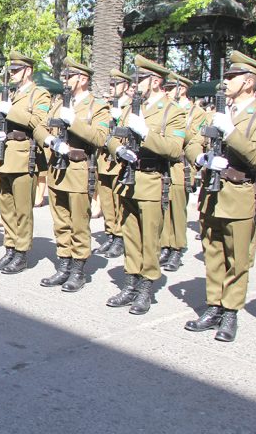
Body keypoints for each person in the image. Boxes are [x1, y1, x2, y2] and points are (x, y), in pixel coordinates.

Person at [185, 50, 256, 342]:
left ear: (250, 81)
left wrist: (230, 133)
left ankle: (230, 313)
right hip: (211, 192)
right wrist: (201, 158)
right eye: (226, 76)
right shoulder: (220, 111)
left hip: (240, 194)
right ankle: (214, 305)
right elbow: (192, 142)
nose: (226, 81)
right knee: (212, 252)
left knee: (237, 258)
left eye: (233, 77)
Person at [106, 55, 185, 315]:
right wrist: (119, 150)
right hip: (128, 177)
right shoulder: (130, 108)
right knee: (130, 236)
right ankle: (130, 284)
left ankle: (145, 289)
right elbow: (112, 136)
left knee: (150, 239)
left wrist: (146, 135)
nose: (134, 84)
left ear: (155, 81)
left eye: (140, 80)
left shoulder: (172, 111)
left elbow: (174, 149)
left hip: (152, 179)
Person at [35, 57, 110, 291]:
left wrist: (74, 121)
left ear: (83, 79)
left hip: (78, 169)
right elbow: (40, 126)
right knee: (61, 221)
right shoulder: (58, 104)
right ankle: (63, 265)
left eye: (69, 77)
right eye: (64, 76)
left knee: (79, 221)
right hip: (57, 168)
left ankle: (78, 269)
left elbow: (100, 138)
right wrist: (48, 139)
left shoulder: (97, 106)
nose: (64, 80)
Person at [0, 52, 51, 272]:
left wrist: (10, 111)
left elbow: (38, 123)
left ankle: (22, 253)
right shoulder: (11, 94)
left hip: (25, 156)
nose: (12, 74)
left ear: (28, 71)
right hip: (4, 156)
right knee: (6, 206)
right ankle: (10, 248)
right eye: (11, 71)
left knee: (22, 209)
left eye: (16, 71)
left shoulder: (39, 94)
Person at [158, 71, 206, 271]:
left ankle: (176, 248)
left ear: (183, 89)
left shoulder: (196, 112)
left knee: (177, 208)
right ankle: (164, 245)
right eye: (166, 88)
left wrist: (174, 127)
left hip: (182, 164)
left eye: (171, 89)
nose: (167, 92)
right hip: (164, 162)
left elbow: (194, 138)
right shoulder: (167, 110)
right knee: (163, 205)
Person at [94, 69, 132, 258]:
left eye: (115, 84)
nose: (111, 87)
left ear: (125, 85)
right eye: (110, 84)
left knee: (120, 201)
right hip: (103, 159)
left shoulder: (132, 107)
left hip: (120, 161)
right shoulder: (105, 107)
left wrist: (118, 119)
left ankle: (120, 236)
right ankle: (110, 233)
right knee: (107, 200)